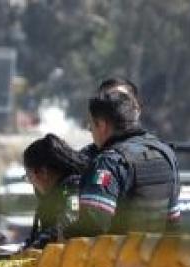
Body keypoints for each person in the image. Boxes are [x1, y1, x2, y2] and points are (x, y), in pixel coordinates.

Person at [66, 90, 181, 237]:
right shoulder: (166, 154)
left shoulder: (108, 162)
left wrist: (62, 234)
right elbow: (174, 220)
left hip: (117, 257)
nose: (91, 132)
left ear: (101, 125)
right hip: (155, 257)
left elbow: (92, 226)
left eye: (91, 126)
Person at [22, 134, 89, 248]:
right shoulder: (58, 193)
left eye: (29, 176)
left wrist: (36, 246)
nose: (31, 183)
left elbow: (67, 224)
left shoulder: (72, 190)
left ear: (43, 172)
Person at [80, 77, 142, 162]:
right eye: (110, 103)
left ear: (137, 108)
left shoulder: (160, 152)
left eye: (123, 102)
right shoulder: (86, 158)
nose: (119, 109)